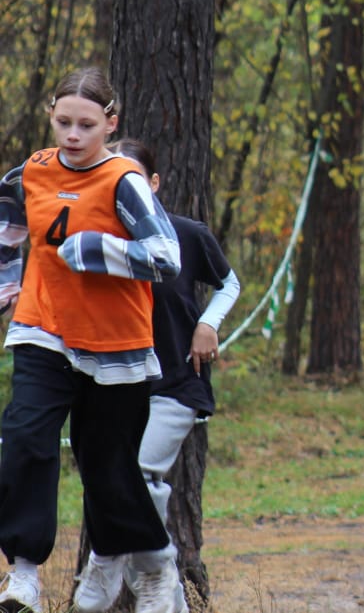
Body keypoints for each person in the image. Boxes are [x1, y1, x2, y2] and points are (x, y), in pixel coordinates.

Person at [0, 68, 185, 613]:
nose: (73, 136)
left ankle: (152, 565)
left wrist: (97, 249)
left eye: (86, 125)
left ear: (111, 123)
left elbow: (167, 256)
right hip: (43, 329)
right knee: (23, 439)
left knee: (106, 464)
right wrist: (8, 280)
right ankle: (24, 574)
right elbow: (9, 220)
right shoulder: (31, 171)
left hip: (115, 346)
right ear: (51, 117)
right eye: (63, 123)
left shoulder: (123, 180)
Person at [84, 138, 239, 608]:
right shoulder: (99, 242)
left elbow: (228, 282)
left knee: (138, 471)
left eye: (133, 179)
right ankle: (165, 588)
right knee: (123, 480)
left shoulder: (184, 233)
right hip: (118, 386)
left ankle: (107, 559)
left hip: (176, 382)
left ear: (152, 183)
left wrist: (208, 324)